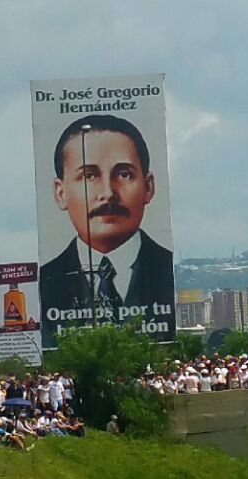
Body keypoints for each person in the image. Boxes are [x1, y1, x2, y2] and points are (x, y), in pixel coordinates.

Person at [38, 113, 175, 346]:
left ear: (148, 187)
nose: (108, 193)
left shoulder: (168, 271)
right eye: (88, 176)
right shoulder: (44, 284)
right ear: (60, 193)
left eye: (124, 174)